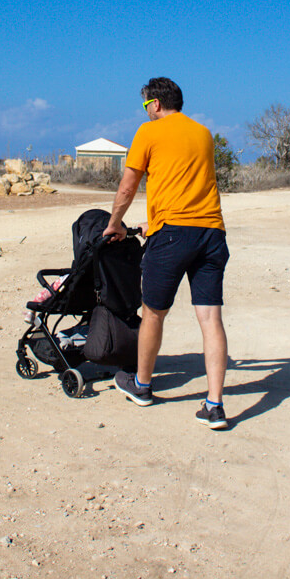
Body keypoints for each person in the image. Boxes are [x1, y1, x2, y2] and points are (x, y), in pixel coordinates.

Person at [103, 77, 230, 430]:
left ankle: (142, 385)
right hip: (211, 233)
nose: (145, 112)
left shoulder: (149, 132)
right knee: (210, 318)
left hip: (173, 237)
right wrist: (151, 222)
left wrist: (116, 223)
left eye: (145, 106)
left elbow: (129, 184)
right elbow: (184, 185)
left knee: (153, 313)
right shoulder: (203, 133)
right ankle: (214, 405)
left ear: (155, 104)